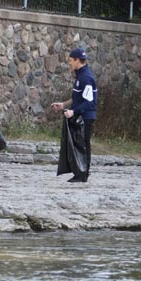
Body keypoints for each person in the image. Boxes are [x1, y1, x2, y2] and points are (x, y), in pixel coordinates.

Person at [51, 48, 97, 182]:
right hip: (79, 116)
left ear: (77, 60)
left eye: (71, 60)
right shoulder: (80, 76)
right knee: (78, 145)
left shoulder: (86, 78)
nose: (69, 63)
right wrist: (64, 105)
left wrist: (74, 111)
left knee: (83, 146)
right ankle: (79, 172)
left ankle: (83, 174)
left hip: (86, 118)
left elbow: (89, 103)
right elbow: (78, 99)